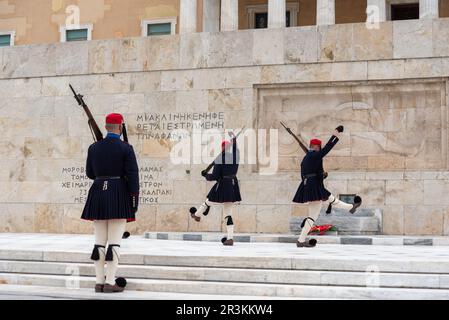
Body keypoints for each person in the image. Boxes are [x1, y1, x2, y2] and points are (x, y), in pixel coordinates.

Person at [81, 113, 139, 292]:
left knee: (99, 242)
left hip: (98, 192)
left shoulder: (94, 148)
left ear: (106, 127)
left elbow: (90, 173)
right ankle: (110, 281)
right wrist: (134, 198)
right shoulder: (126, 148)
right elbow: (133, 176)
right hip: (118, 192)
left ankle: (99, 282)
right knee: (114, 241)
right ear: (120, 128)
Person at [293, 125, 362, 248]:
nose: (320, 149)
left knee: (330, 198)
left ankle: (351, 207)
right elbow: (328, 148)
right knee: (312, 216)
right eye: (319, 147)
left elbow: (307, 174)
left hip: (311, 186)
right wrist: (336, 134)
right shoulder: (315, 155)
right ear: (316, 147)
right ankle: (301, 240)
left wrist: (321, 175)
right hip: (314, 188)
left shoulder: (306, 158)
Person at [189, 136, 241, 246]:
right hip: (232, 185)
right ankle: (230, 238)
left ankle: (197, 215)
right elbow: (237, 151)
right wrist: (235, 142)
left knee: (208, 201)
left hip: (222, 186)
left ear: (222, 148)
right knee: (228, 214)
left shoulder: (220, 159)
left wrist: (205, 175)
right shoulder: (235, 157)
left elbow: (214, 176)